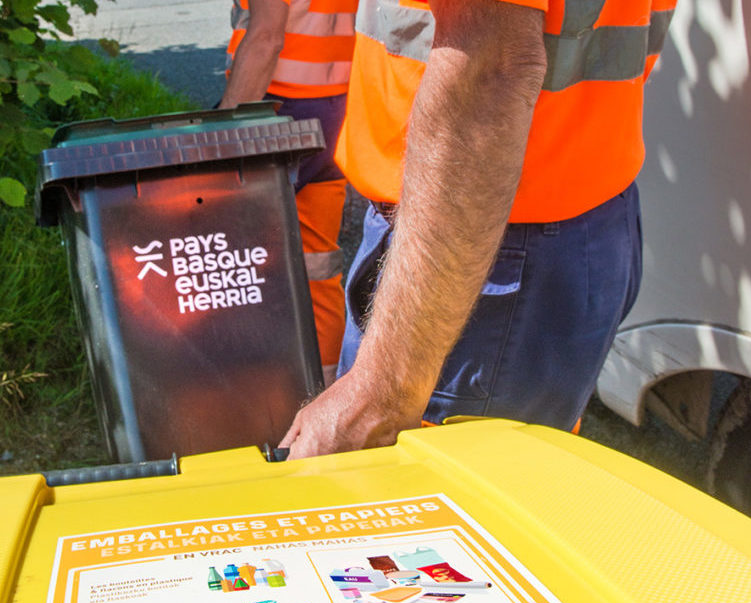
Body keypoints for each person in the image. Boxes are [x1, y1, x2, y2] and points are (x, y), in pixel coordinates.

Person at [280, 0, 676, 458]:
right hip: (569, 209)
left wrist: (382, 392)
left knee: (425, 506)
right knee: (519, 484)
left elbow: (488, 71)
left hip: (477, 240)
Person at [220, 0, 358, 386]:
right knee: (317, 262)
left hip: (276, 109)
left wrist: (222, 132)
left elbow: (266, 38)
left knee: (240, 260)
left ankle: (250, 388)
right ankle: (324, 389)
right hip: (335, 105)